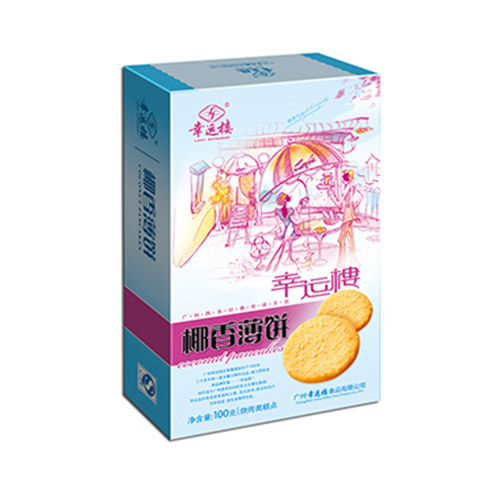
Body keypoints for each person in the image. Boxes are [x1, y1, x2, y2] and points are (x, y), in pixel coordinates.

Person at [329, 170, 363, 267]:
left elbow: (341, 201)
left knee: (342, 239)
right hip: (349, 210)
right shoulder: (351, 185)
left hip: (348, 211)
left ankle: (342, 263)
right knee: (350, 236)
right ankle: (353, 261)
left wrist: (332, 196)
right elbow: (360, 197)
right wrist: (353, 206)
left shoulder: (348, 186)